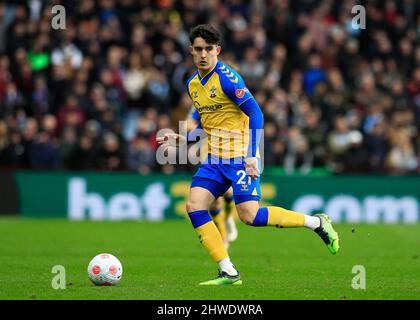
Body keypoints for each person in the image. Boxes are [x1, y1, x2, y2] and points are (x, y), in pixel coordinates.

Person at [157, 24, 339, 285]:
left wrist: (253, 154)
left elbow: (256, 113)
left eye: (209, 49)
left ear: (217, 50)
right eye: (198, 50)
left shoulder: (229, 79)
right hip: (214, 158)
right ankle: (228, 270)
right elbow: (207, 124)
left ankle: (316, 222)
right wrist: (183, 139)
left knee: (250, 216)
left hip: (241, 155)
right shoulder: (193, 85)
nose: (204, 54)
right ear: (191, 52)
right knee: (194, 205)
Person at [187, 107, 238, 249]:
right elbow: (189, 124)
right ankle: (224, 239)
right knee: (215, 202)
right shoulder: (202, 101)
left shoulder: (229, 98)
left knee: (229, 193)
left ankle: (228, 217)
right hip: (209, 153)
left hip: (232, 151)